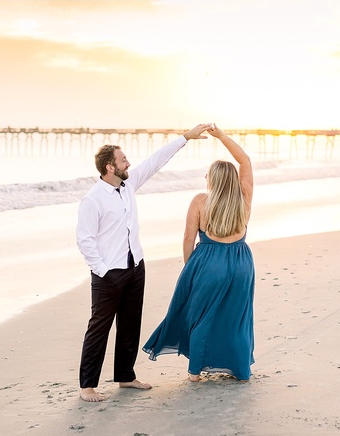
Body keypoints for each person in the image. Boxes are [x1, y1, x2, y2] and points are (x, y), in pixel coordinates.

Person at [76, 123, 211, 402]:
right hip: (108, 274)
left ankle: (125, 376)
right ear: (110, 167)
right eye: (123, 160)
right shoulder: (93, 200)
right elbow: (85, 241)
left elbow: (156, 161)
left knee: (130, 324)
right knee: (99, 328)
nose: (129, 163)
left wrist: (185, 137)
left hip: (135, 266)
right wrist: (103, 271)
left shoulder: (128, 185)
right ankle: (87, 386)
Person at [142, 124, 255, 382]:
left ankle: (195, 372)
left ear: (213, 179)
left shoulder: (200, 201)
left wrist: (190, 267)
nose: (205, 178)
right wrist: (223, 137)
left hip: (208, 264)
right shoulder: (244, 196)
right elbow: (244, 160)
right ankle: (240, 371)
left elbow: (188, 238)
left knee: (202, 317)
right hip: (241, 263)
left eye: (207, 175)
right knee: (236, 319)